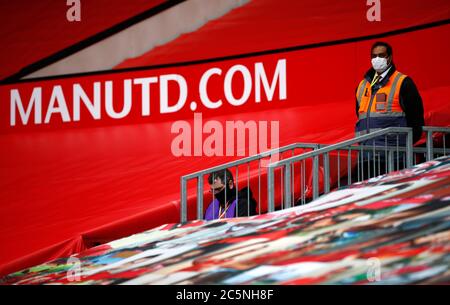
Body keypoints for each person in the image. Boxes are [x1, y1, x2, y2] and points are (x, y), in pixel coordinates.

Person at [354, 41, 425, 179]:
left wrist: (402, 146)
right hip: (366, 157)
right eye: (374, 56)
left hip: (395, 157)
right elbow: (360, 116)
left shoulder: (403, 82)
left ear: (389, 58)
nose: (377, 59)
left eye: (381, 55)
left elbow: (416, 120)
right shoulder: (362, 86)